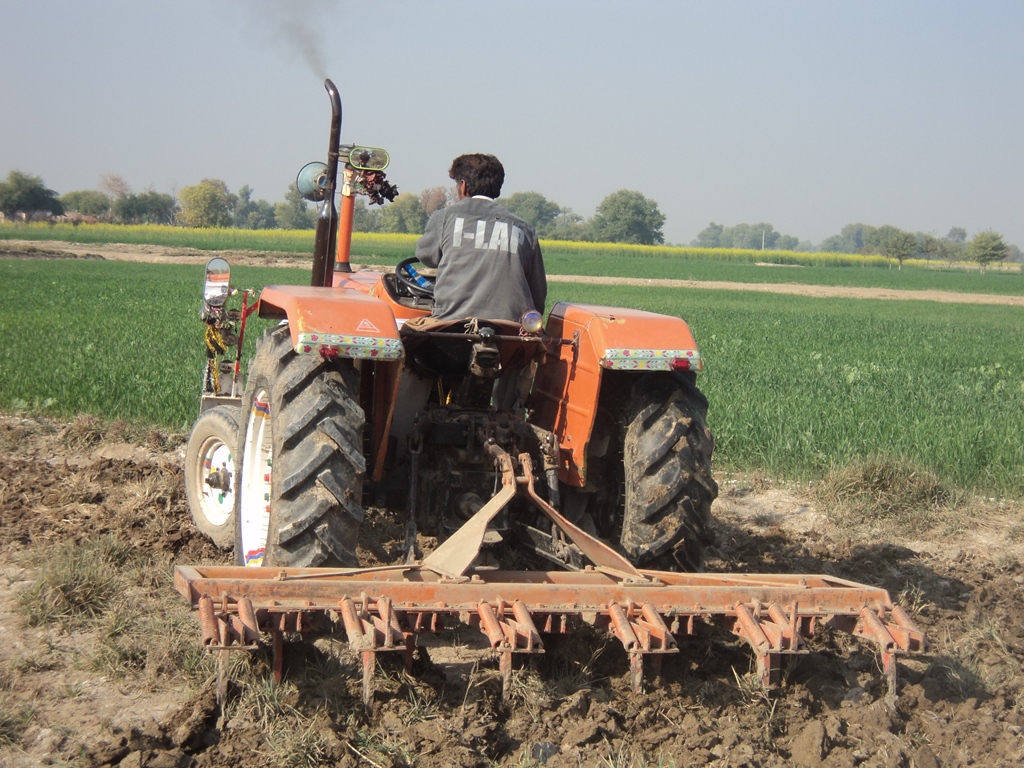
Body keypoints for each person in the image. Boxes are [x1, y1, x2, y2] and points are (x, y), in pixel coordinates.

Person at [415, 153, 546, 322]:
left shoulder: (444, 217)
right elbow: (538, 295)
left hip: (451, 322)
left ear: (463, 186)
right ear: (497, 187)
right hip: (510, 327)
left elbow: (426, 256)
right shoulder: (525, 230)